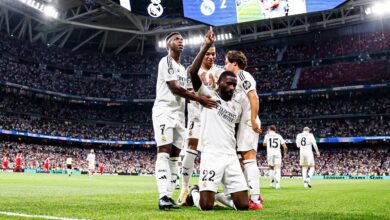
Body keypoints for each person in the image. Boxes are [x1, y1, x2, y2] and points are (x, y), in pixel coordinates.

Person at [152, 31, 217, 210]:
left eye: (182, 39)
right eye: (176, 39)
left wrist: (206, 96)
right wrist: (199, 99)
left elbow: (188, 90)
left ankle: (170, 196)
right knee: (164, 151)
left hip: (180, 115)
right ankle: (162, 195)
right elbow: (174, 88)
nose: (180, 41)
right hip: (164, 111)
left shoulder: (182, 69)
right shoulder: (165, 62)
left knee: (174, 156)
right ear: (168, 45)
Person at [185, 29, 249, 211]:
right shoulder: (208, 96)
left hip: (230, 156)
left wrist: (238, 154)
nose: (232, 87)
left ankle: (221, 197)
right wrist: (205, 45)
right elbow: (192, 72)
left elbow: (235, 131)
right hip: (211, 155)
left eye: (234, 85)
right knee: (205, 206)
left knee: (244, 206)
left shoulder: (235, 105)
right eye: (229, 84)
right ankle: (194, 192)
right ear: (219, 83)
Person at [177, 44, 224, 205]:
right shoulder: (192, 69)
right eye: (208, 54)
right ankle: (184, 188)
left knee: (212, 154)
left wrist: (215, 88)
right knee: (191, 148)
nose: (211, 57)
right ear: (202, 54)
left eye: (213, 54)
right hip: (196, 117)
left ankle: (211, 189)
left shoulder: (219, 71)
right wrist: (199, 93)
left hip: (214, 119)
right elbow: (184, 91)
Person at [224, 50, 263, 210]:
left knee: (249, 158)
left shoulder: (243, 76)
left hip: (248, 120)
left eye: (227, 62)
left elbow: (254, 97)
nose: (225, 65)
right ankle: (256, 195)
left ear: (234, 63)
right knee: (246, 159)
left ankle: (255, 199)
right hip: (244, 122)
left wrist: (253, 119)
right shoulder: (236, 79)